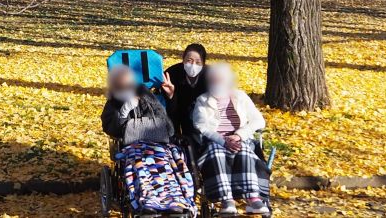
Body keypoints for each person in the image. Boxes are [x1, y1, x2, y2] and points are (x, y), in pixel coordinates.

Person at [192, 63, 269, 216]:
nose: (216, 83)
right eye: (213, 80)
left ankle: (253, 198)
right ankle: (227, 200)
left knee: (244, 151)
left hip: (240, 138)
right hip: (215, 140)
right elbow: (201, 125)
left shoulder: (240, 97)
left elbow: (259, 121)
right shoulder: (203, 100)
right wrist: (223, 140)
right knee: (216, 153)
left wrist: (239, 135)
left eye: (219, 80)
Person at [101, 65, 174, 144]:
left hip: (156, 144)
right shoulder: (114, 101)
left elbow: (169, 129)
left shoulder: (146, 95)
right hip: (129, 146)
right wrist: (124, 113)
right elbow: (111, 130)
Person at [161, 43, 209, 137]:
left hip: (202, 115)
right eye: (189, 61)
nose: (193, 65)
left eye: (198, 62)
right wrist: (171, 95)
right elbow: (170, 109)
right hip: (177, 112)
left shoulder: (210, 75)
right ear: (183, 60)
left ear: (203, 63)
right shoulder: (171, 74)